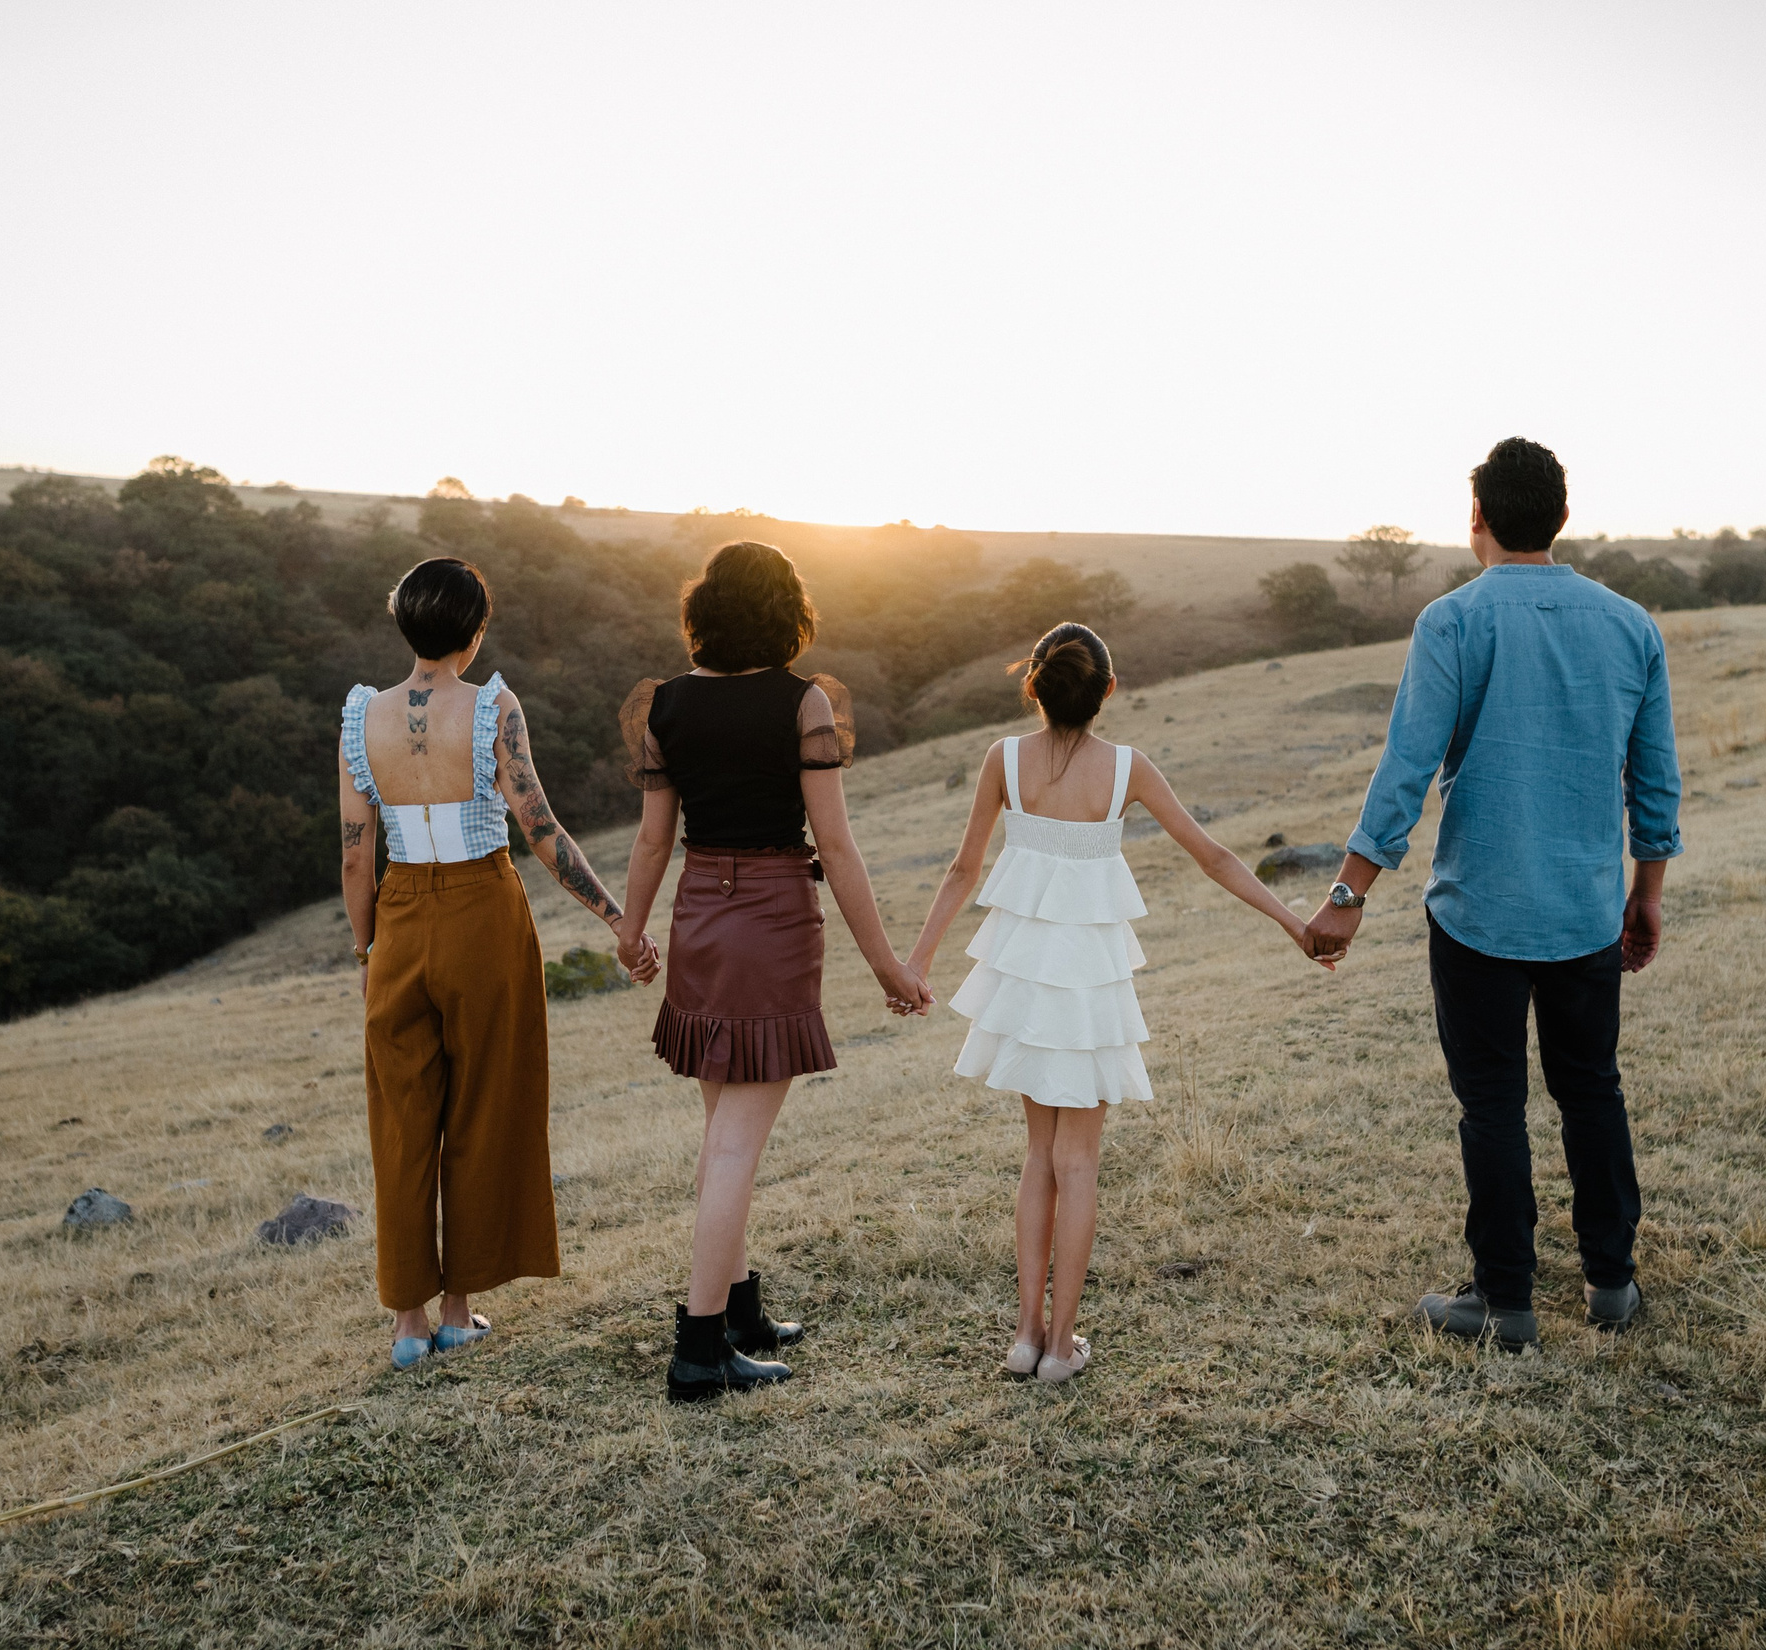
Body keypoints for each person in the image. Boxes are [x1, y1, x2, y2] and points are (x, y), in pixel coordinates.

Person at [1304, 438, 1681, 1351]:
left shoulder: (1453, 623)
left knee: (1494, 1106)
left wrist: (1344, 900)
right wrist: (1646, 895)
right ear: (1560, 517)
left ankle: (1505, 1302)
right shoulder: (1631, 626)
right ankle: (1611, 1285)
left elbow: (1404, 773)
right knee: (1592, 1090)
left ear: (1476, 519)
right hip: (1588, 910)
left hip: (1479, 915)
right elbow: (1656, 784)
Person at [906, 623, 1330, 1383]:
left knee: (1040, 1156)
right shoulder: (1128, 767)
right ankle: (1062, 1349)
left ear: (1032, 686)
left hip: (1027, 979)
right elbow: (1214, 856)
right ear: (1108, 691)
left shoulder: (1002, 759)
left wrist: (916, 961)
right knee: (1081, 1159)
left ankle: (1026, 1337)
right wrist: (1294, 924)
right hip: (1090, 981)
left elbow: (962, 869)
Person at [613, 541, 934, 1403]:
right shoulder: (804, 706)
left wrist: (631, 930)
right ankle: (698, 1352)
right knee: (734, 1149)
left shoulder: (666, 704)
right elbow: (836, 844)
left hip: (698, 921)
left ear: (705, 609)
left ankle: (743, 1313)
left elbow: (652, 839)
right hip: (770, 918)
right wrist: (889, 967)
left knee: (724, 1130)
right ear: (787, 612)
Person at [339, 556, 645, 1371]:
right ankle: (456, 1310)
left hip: (399, 920)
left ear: (404, 625)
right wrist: (618, 920)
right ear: (474, 633)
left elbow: (354, 856)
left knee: (403, 1120)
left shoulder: (360, 718)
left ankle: (406, 1324)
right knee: (483, 1106)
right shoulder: (492, 708)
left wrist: (368, 951)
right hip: (483, 913)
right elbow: (541, 831)